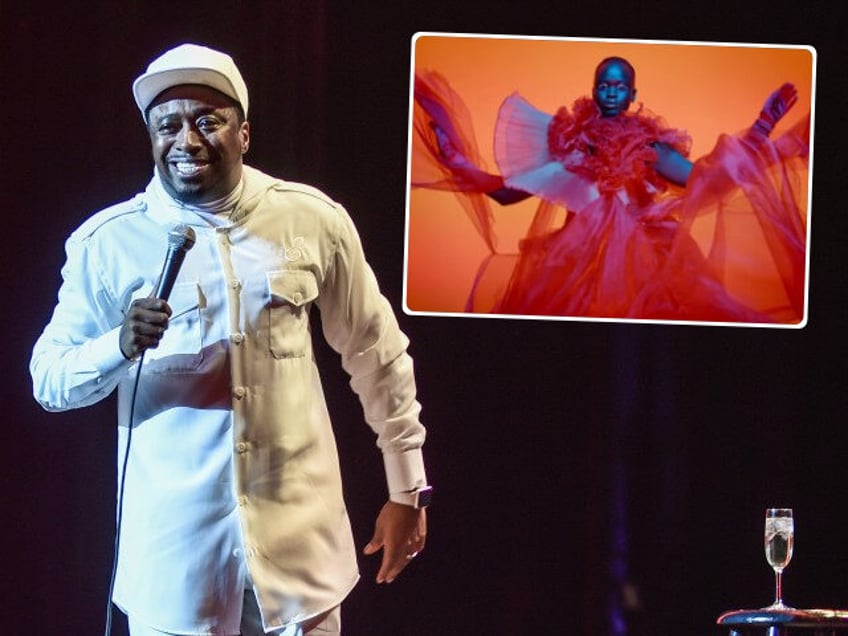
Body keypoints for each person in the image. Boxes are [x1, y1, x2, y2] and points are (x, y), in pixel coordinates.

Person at [30, 43, 432, 636]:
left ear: (244, 133)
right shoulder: (109, 243)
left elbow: (376, 354)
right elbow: (48, 381)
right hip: (177, 574)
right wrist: (117, 344)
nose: (186, 141)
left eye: (206, 122)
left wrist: (408, 486)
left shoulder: (312, 220)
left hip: (301, 564)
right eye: (167, 126)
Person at [411, 56, 809, 323]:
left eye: (621, 86)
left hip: (645, 262)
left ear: (634, 95)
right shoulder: (569, 141)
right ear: (594, 89)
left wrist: (761, 131)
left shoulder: (650, 147)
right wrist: (454, 157)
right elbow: (507, 191)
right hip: (576, 266)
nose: (613, 91)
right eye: (604, 84)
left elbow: (708, 180)